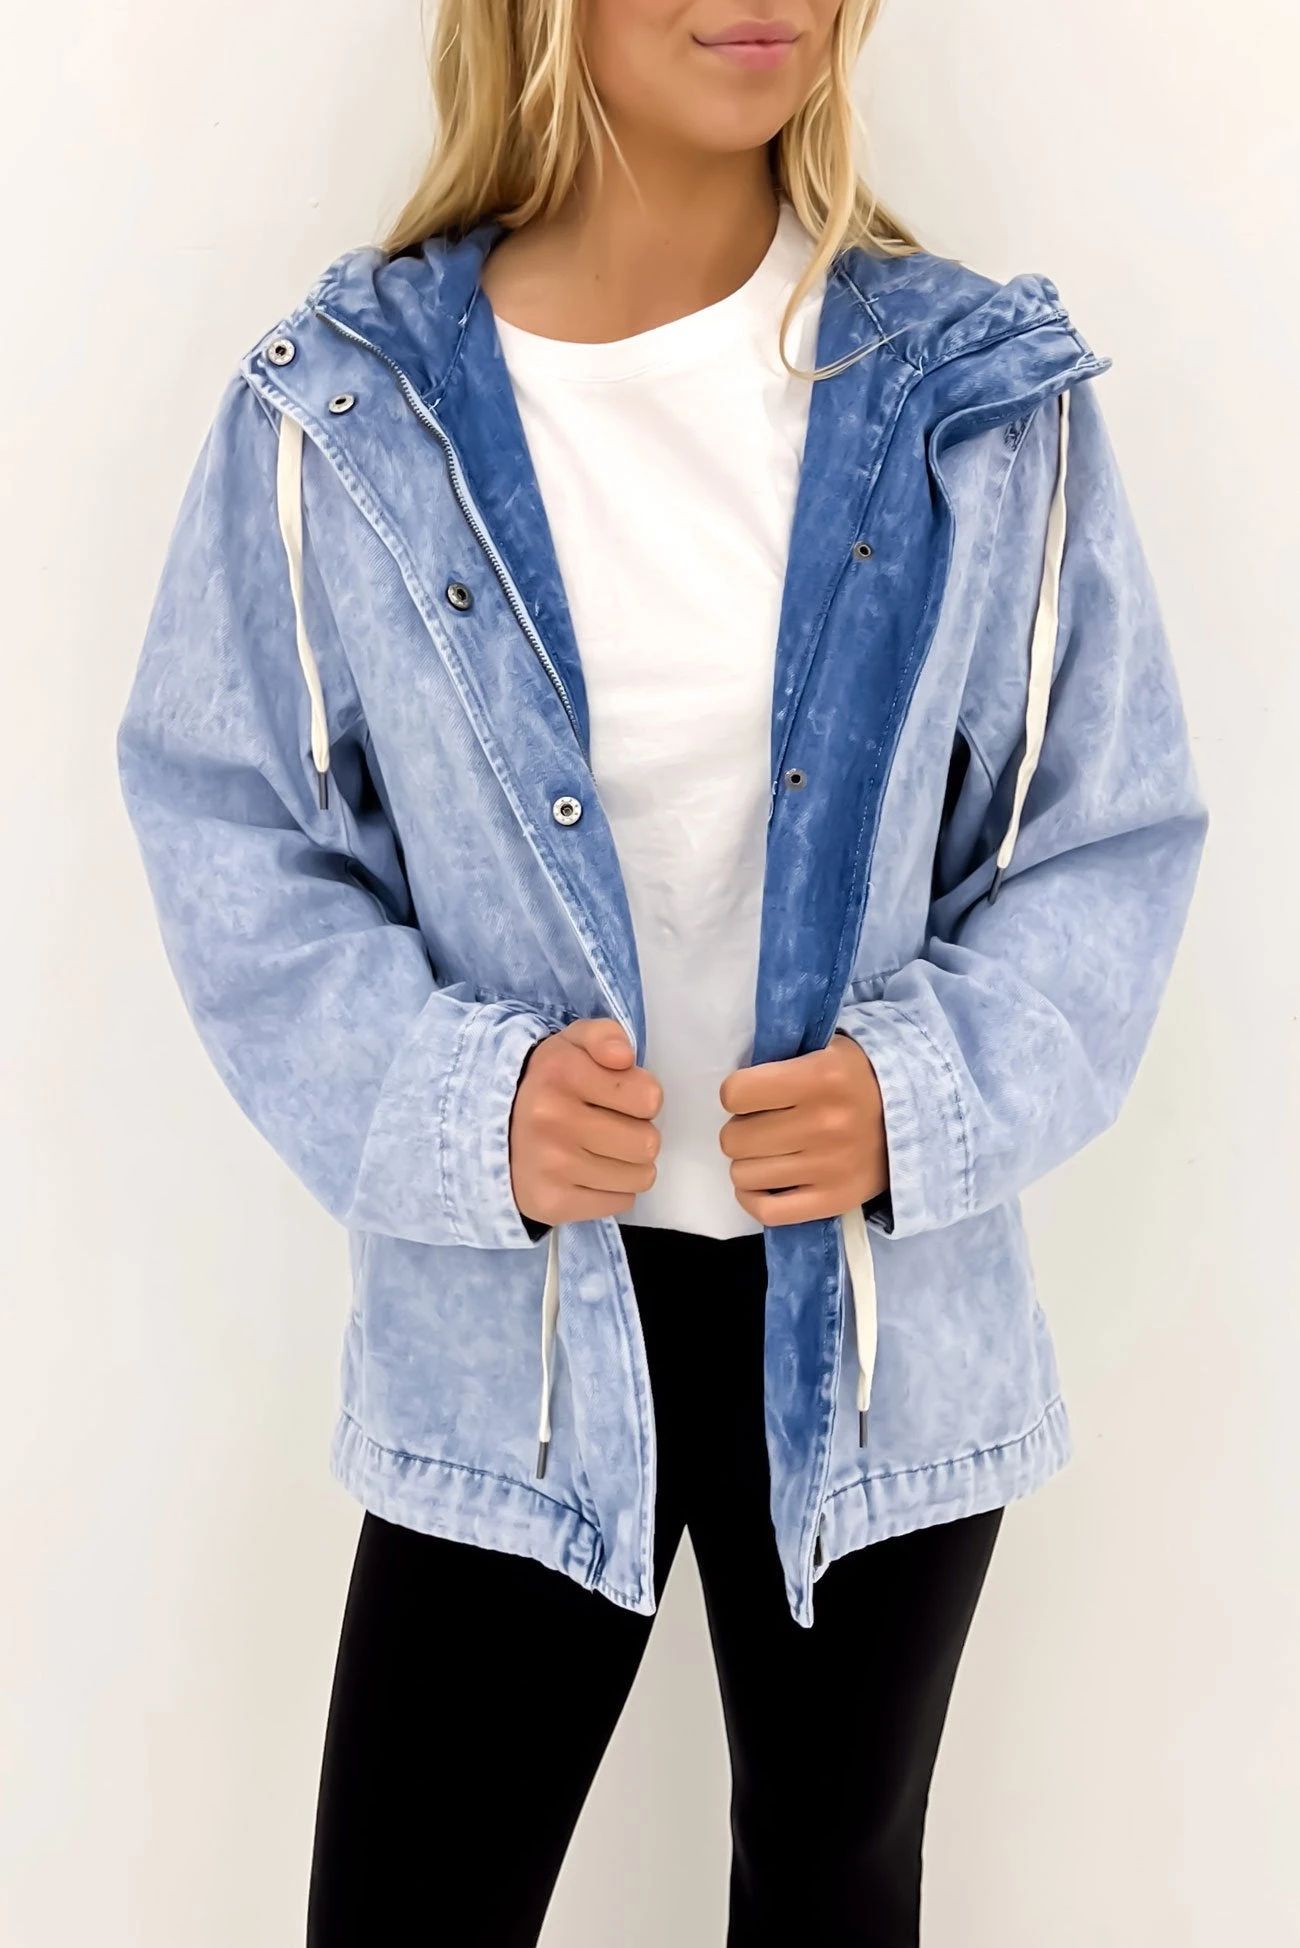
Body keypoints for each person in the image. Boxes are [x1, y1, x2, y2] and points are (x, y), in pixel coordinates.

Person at [117, 2, 1206, 1941]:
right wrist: (463, 1106)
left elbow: (1100, 837)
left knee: (831, 1887)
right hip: (516, 1341)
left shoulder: (974, 398)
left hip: (869, 1329)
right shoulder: (348, 409)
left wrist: (918, 1094)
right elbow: (233, 825)